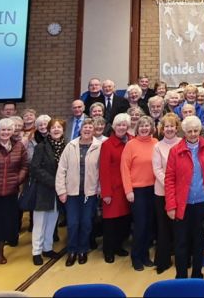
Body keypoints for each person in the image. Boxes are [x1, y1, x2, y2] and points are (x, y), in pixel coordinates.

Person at [165, 115, 204, 279]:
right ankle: (181, 275)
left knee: (198, 241)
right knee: (181, 242)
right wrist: (171, 205)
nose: (194, 134)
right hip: (183, 204)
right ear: (184, 132)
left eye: (196, 131)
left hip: (202, 203)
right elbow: (169, 179)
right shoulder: (175, 150)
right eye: (190, 131)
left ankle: (197, 273)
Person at [55, 118, 101, 266]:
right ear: (80, 130)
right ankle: (72, 250)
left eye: (90, 127)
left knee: (86, 223)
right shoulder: (71, 146)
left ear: (93, 130)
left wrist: (100, 188)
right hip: (72, 193)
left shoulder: (99, 146)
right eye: (85, 127)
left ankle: (83, 250)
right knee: (73, 223)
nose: (87, 130)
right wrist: (61, 191)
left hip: (90, 193)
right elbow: (62, 169)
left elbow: (102, 170)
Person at [121, 116, 158, 271]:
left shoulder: (156, 143)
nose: (144, 128)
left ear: (151, 128)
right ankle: (136, 257)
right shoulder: (131, 145)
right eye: (141, 126)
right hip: (137, 191)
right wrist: (129, 190)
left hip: (154, 189)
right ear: (137, 128)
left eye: (147, 125)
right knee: (140, 225)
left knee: (150, 225)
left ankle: (145, 255)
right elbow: (124, 168)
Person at [0, 118, 28, 265]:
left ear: (13, 131)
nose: (5, 132)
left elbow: (25, 166)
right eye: (3, 130)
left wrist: (17, 180)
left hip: (10, 193)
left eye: (8, 130)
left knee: (4, 224)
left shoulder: (19, 147)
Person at [30, 118, 65, 265]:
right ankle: (36, 251)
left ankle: (47, 248)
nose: (56, 130)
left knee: (52, 221)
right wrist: (54, 182)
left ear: (63, 130)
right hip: (44, 190)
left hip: (58, 191)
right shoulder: (41, 147)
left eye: (59, 127)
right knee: (40, 223)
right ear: (49, 130)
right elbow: (35, 169)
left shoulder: (67, 147)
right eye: (53, 127)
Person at [99, 113, 132, 264]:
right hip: (113, 190)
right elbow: (104, 170)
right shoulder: (107, 145)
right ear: (113, 127)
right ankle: (108, 250)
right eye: (119, 125)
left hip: (127, 188)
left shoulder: (131, 141)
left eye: (124, 125)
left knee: (123, 222)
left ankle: (118, 246)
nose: (121, 127)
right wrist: (106, 192)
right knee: (110, 223)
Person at [152, 114, 182, 274]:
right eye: (166, 127)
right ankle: (163, 261)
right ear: (162, 129)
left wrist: (178, 186)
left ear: (177, 128)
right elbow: (157, 169)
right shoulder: (157, 146)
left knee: (179, 228)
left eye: (172, 126)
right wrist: (170, 185)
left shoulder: (183, 143)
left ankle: (181, 259)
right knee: (163, 228)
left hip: (181, 193)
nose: (169, 129)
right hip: (162, 192)